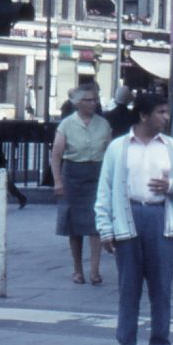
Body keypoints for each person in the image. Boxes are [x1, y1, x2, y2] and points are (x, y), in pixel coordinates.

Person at [94, 95, 173, 345]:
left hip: (160, 217)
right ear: (143, 115)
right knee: (128, 288)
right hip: (129, 216)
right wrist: (105, 228)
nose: (166, 117)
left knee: (161, 288)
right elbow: (106, 189)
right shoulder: (118, 147)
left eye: (167, 112)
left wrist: (171, 185)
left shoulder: (171, 147)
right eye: (161, 112)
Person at [51, 81, 110, 285]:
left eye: (94, 99)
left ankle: (94, 270)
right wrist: (58, 181)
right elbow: (56, 155)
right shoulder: (66, 124)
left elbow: (110, 154)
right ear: (77, 103)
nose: (92, 103)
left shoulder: (103, 124)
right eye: (87, 100)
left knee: (96, 224)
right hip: (73, 175)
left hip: (96, 174)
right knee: (74, 226)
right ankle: (77, 269)